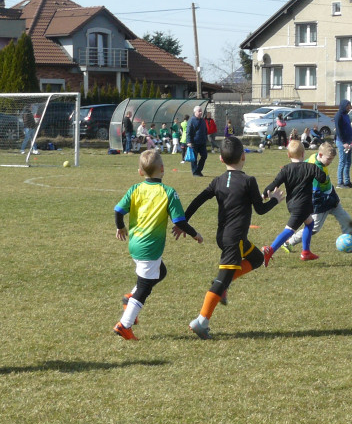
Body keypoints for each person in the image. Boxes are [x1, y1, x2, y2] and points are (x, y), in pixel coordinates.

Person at [185, 136, 283, 339]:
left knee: (257, 258)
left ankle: (224, 284)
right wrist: (274, 200)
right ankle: (201, 321)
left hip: (224, 237)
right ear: (243, 157)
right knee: (221, 280)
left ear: (221, 159)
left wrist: (183, 222)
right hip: (234, 239)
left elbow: (198, 200)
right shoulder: (249, 181)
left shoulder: (218, 181)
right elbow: (261, 210)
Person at [112, 150, 202, 340]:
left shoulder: (135, 189)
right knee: (145, 287)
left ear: (140, 172)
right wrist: (195, 234)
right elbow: (179, 221)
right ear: (162, 169)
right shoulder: (168, 192)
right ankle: (124, 325)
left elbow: (118, 210)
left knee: (160, 272)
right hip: (150, 248)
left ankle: (130, 298)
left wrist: (120, 227)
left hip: (135, 244)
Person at [262, 140, 329, 263]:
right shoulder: (311, 167)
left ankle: (306, 252)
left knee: (309, 223)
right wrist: (319, 165)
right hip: (303, 205)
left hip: (292, 204)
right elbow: (323, 179)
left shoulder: (286, 169)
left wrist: (265, 193)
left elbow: (274, 183)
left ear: (288, 155)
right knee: (289, 230)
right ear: (303, 154)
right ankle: (270, 250)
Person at [306, 141, 352, 244]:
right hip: (322, 202)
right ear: (320, 155)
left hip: (331, 198)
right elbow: (315, 195)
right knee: (314, 228)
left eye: (332, 160)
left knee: (346, 220)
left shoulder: (316, 157)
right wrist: (329, 200)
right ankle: (289, 242)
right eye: (329, 159)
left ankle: (350, 244)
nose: (330, 162)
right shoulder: (315, 169)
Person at [334, 99, 352, 188]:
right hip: (342, 142)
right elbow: (339, 130)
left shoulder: (346, 115)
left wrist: (350, 140)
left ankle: (347, 181)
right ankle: (340, 182)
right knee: (342, 161)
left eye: (349, 106)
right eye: (347, 106)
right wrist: (343, 142)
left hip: (348, 141)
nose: (349, 108)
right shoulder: (339, 116)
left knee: (348, 162)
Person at [186, 106, 209, 176]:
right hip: (194, 142)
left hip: (202, 142)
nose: (201, 112)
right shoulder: (191, 121)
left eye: (201, 111)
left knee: (204, 155)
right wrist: (189, 142)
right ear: (195, 112)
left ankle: (198, 170)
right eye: (199, 111)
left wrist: (206, 138)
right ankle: (195, 172)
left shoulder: (202, 120)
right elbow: (188, 132)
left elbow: (205, 130)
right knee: (194, 158)